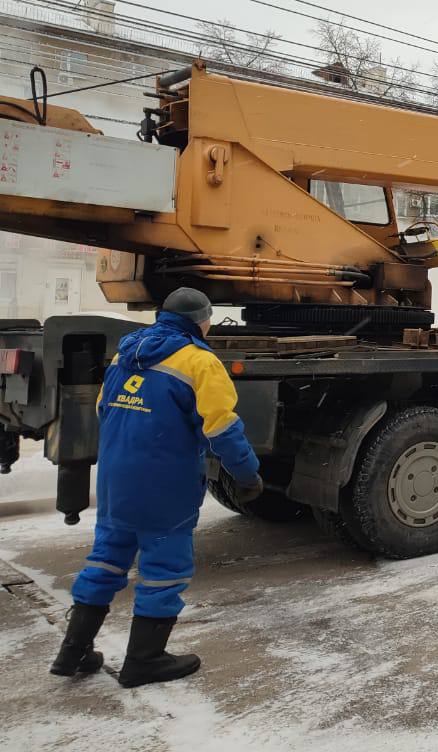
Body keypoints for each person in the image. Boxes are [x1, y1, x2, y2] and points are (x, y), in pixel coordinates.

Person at [50, 288, 262, 688]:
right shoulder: (200, 361)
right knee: (164, 568)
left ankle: (72, 652)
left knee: (106, 559)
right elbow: (222, 427)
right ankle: (144, 660)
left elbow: (102, 408)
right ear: (204, 321)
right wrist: (248, 475)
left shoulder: (126, 352)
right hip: (166, 482)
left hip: (117, 480)